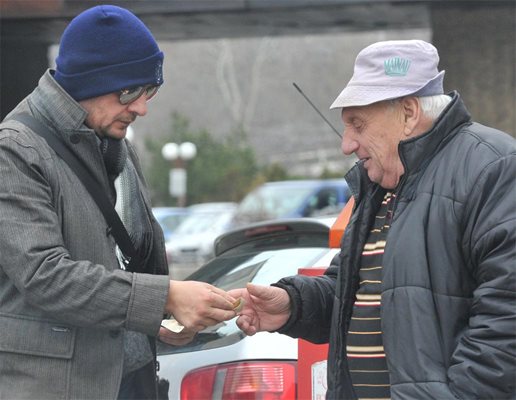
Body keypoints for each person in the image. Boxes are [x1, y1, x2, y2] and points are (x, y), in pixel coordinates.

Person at [231, 40, 516, 399]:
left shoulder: (493, 168)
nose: (347, 144)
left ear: (409, 113)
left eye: (358, 125)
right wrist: (292, 305)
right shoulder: (381, 183)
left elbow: (505, 323)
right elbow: (356, 293)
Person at [0, 5, 238, 400]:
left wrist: (157, 317)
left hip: (132, 376)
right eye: (129, 91)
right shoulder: (14, 150)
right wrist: (166, 296)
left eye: (149, 91)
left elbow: (133, 258)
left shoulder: (116, 144)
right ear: (88, 81)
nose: (141, 107)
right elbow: (46, 276)